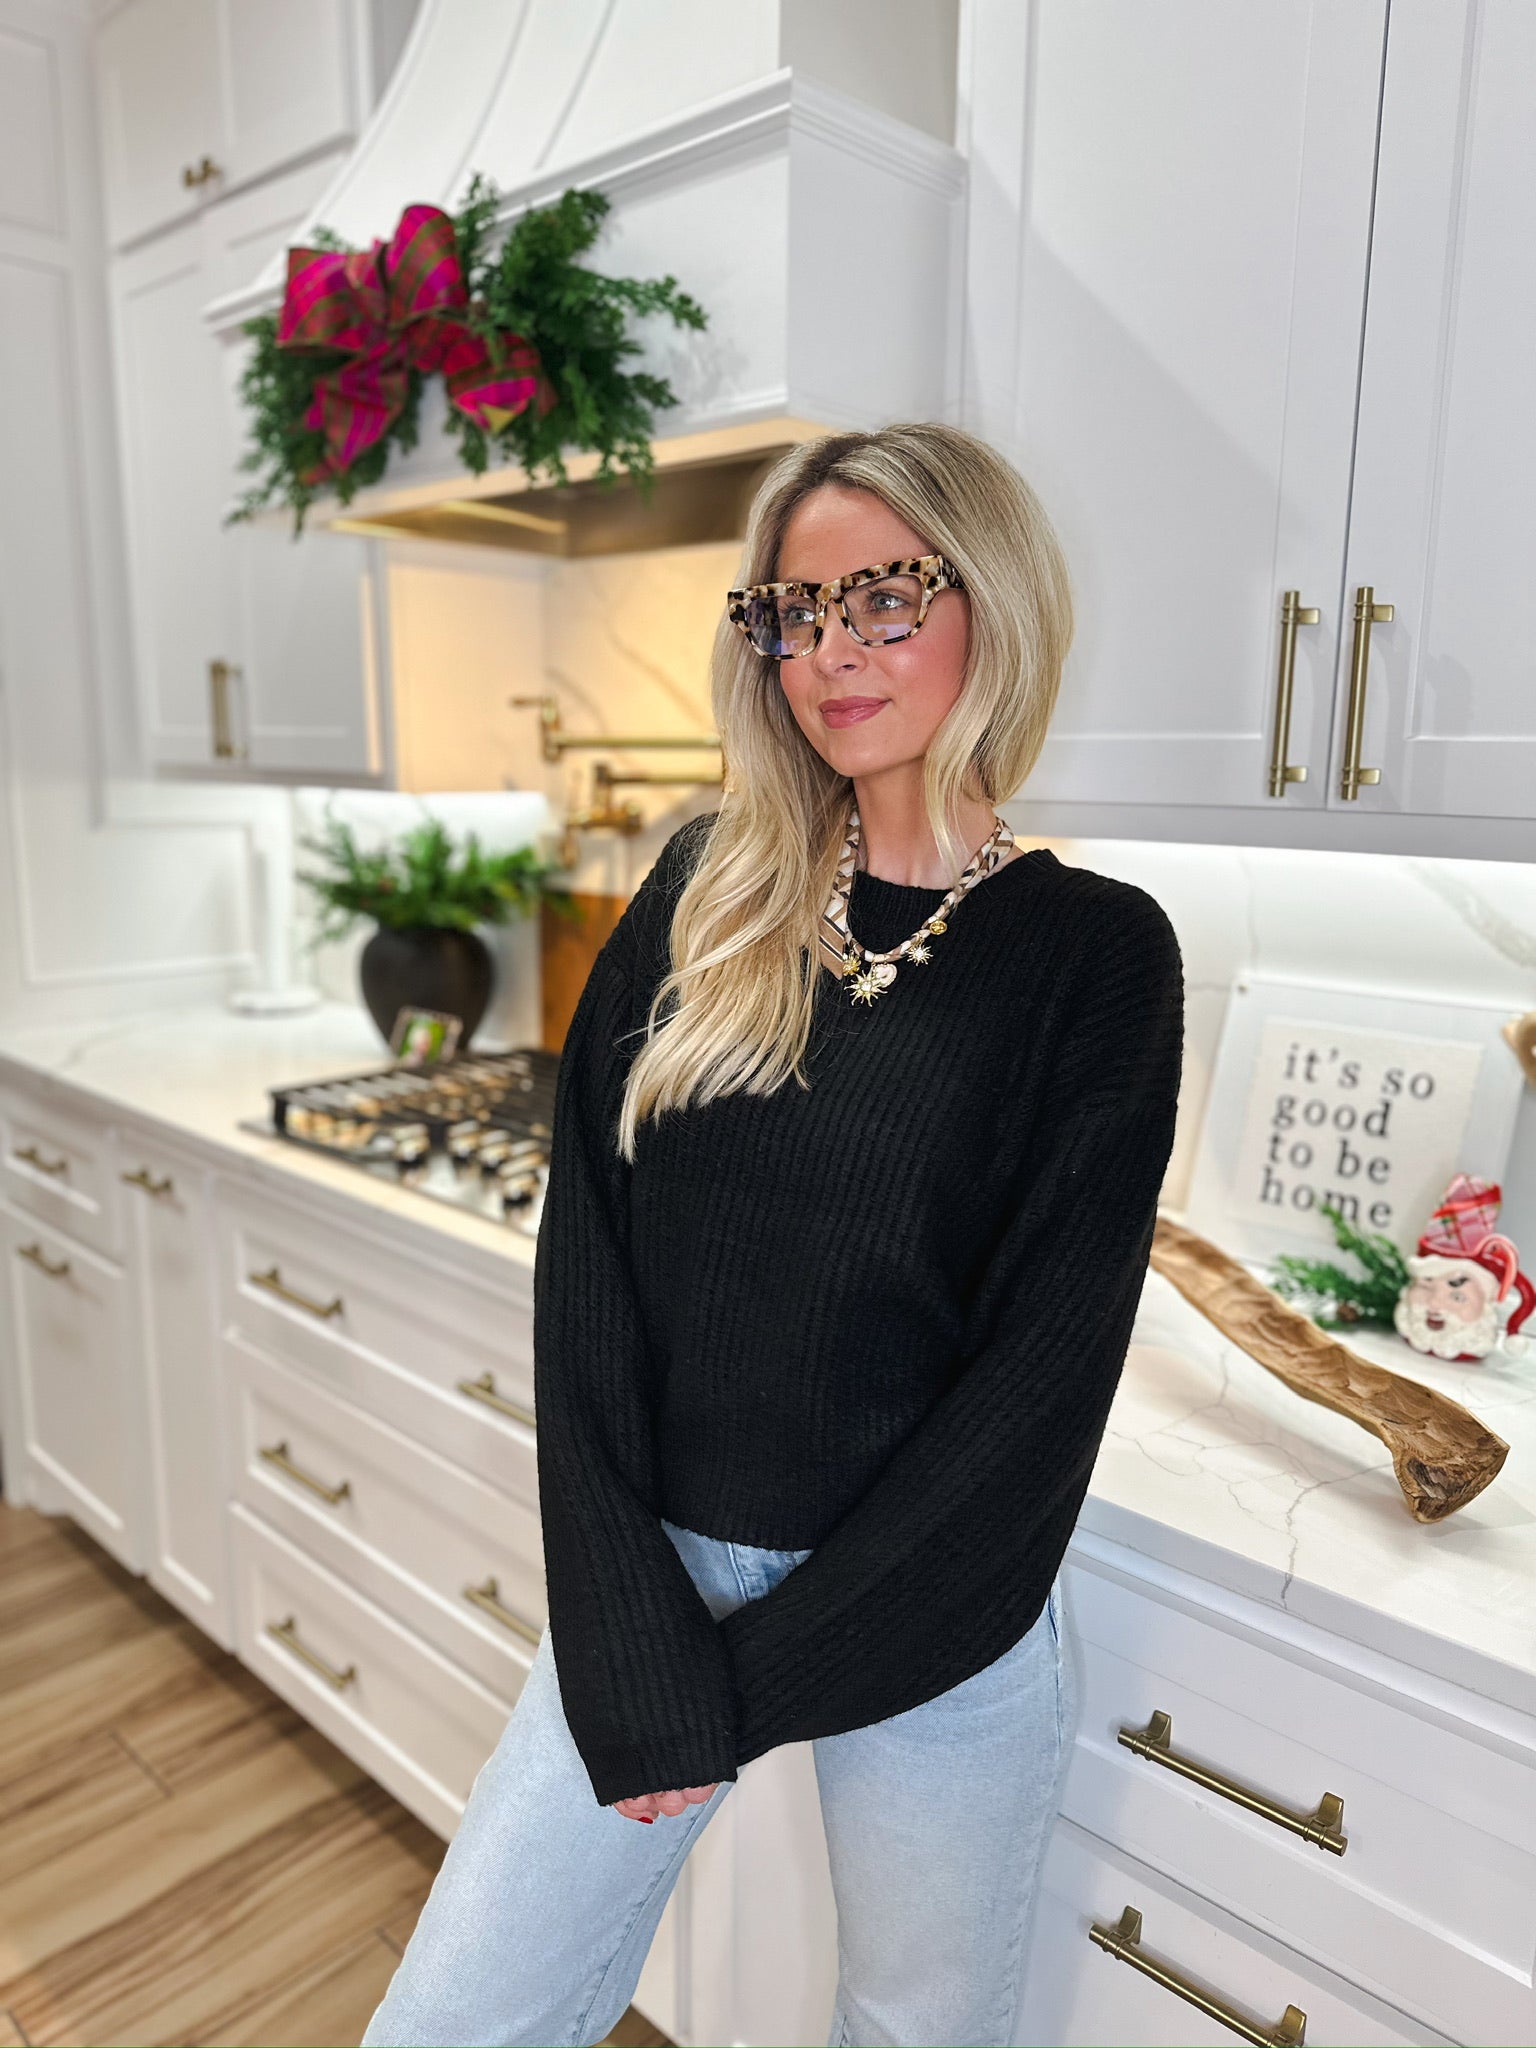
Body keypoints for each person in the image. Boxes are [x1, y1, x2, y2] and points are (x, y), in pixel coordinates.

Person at [361, 422, 1185, 2048]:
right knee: (454, 2017)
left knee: (913, 2030)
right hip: (661, 1576)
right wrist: (631, 1642)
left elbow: (1039, 1385)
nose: (829, 652)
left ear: (995, 597)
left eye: (882, 597)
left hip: (941, 1602)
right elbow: (588, 1266)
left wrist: (740, 1695)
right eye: (793, 612)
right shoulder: (705, 886)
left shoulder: (1097, 957)